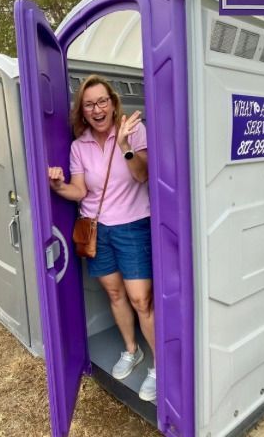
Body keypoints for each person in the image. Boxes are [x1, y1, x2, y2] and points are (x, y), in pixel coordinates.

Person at [47, 75, 157, 403]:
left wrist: (124, 144)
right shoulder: (78, 146)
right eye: (89, 104)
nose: (97, 109)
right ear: (82, 111)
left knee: (141, 300)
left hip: (133, 226)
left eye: (102, 101)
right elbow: (80, 191)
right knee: (114, 293)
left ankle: (159, 367)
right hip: (97, 230)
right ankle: (132, 350)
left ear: (112, 103)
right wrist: (57, 186)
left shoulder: (134, 130)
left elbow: (143, 175)